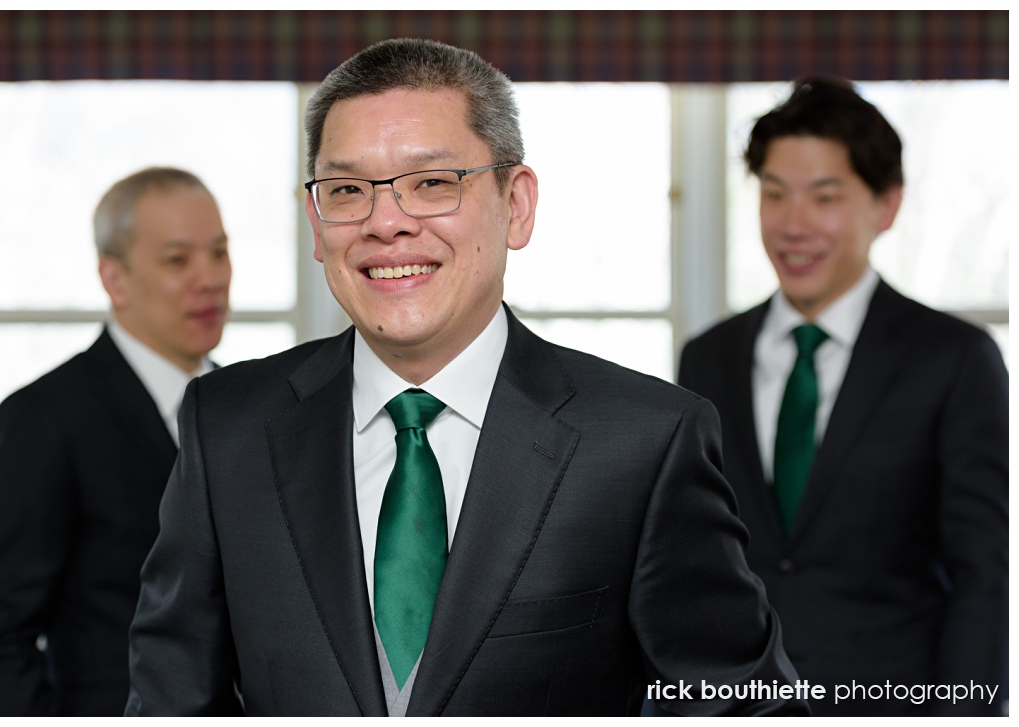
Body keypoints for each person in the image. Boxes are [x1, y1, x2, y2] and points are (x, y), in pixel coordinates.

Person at [125, 38, 806, 717]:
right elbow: (170, 701)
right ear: (316, 221)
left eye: (431, 182)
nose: (385, 221)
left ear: (516, 205)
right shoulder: (227, 427)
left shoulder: (645, 443)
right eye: (347, 190)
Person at [678, 77, 1008, 716]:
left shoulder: (955, 359)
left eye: (823, 197)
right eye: (774, 195)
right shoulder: (707, 357)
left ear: (886, 206)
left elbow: (982, 578)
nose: (793, 225)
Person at [0, 166, 232, 716]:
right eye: (178, 260)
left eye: (220, 253)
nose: (210, 279)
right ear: (114, 278)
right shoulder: (42, 417)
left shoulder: (247, 406)